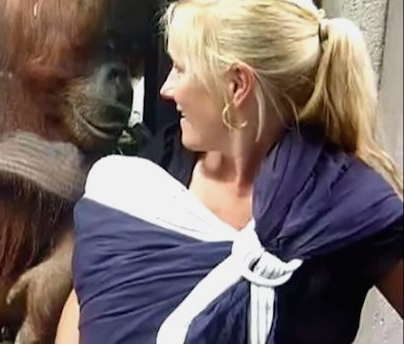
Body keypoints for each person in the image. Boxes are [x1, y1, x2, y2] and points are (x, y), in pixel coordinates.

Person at [56, 0, 403, 343]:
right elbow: (89, 301)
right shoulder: (152, 176)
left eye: (180, 68)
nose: (166, 89)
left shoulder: (344, 203)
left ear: (237, 85)